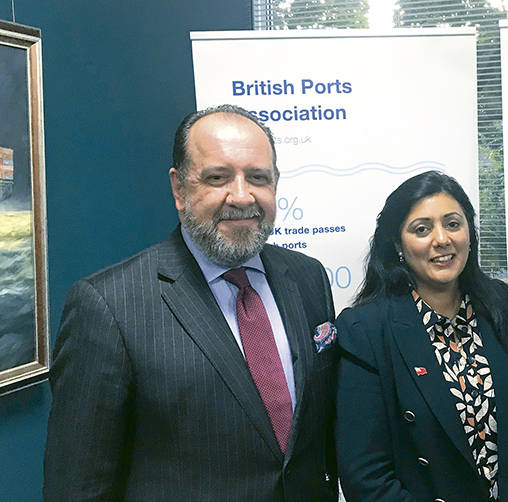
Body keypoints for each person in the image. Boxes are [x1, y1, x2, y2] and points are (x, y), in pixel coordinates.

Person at [44, 104, 338, 501]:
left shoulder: (308, 278)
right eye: (218, 178)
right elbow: (77, 488)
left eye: (258, 178)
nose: (241, 195)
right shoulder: (108, 306)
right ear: (180, 190)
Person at [335, 171, 508, 502]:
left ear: (470, 233)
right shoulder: (365, 329)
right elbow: (366, 478)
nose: (442, 239)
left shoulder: (499, 303)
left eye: (452, 224)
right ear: (397, 245)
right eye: (422, 229)